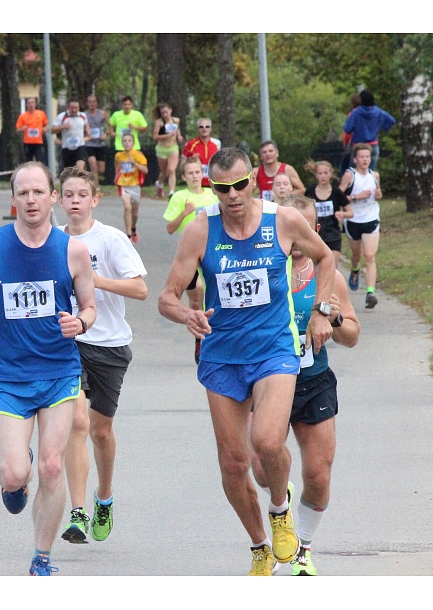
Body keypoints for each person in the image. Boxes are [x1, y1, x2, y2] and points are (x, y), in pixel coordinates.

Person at [157, 147, 335, 576]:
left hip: (274, 350)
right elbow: (167, 297)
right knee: (234, 463)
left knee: (268, 443)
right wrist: (186, 315)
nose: (233, 195)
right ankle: (259, 547)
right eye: (223, 188)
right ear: (212, 188)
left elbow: (326, 256)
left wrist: (320, 311)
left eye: (239, 184)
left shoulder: (283, 220)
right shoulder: (200, 230)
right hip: (222, 357)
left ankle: (280, 509)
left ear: (253, 180)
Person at [0, 161, 96, 576]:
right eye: (23, 193)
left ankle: (41, 559)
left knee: (52, 466)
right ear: (13, 199)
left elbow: (89, 307)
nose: (31, 200)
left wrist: (81, 323)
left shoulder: (73, 250)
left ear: (53, 197)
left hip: (58, 371)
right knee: (13, 472)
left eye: (39, 192)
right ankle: (16, 478)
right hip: (9, 374)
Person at [251, 196, 360, 576]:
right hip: (268, 379)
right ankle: (281, 494)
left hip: (313, 381)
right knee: (262, 470)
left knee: (318, 474)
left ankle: (302, 549)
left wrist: (334, 319)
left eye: (304, 225)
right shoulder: (264, 269)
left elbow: (352, 336)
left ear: (313, 230)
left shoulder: (329, 278)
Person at [57, 167, 147, 546]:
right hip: (68, 342)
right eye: (69, 194)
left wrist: (93, 281)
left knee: (100, 431)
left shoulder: (110, 239)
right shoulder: (53, 240)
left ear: (95, 200)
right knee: (76, 422)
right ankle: (77, 512)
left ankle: (104, 497)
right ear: (59, 200)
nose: (75, 200)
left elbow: (140, 289)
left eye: (82, 194)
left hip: (109, 343)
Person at [162, 156, 219, 364]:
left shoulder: (212, 195)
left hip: (214, 253)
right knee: (196, 298)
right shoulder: (180, 197)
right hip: (191, 257)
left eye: (197, 172)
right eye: (190, 173)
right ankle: (199, 338)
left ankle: (216, 335)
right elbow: (170, 228)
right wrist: (185, 212)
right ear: (184, 177)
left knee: (214, 295)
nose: (195, 176)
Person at [338, 143, 382, 308]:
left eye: (367, 157)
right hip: (354, 220)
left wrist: (378, 195)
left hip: (371, 218)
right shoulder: (350, 175)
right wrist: (356, 196)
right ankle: (355, 269)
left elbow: (378, 194)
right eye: (362, 157)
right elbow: (338, 196)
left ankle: (370, 293)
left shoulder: (374, 175)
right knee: (357, 255)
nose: (365, 160)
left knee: (370, 256)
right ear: (355, 159)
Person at [304, 160, 353, 268]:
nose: (323, 176)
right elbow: (304, 210)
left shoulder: (337, 192)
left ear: (330, 174)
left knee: (333, 268)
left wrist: (342, 214)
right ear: (316, 175)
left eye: (325, 173)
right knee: (316, 268)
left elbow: (350, 213)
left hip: (333, 234)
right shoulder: (310, 192)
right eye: (320, 173)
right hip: (316, 235)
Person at [343, 89, 395, 171]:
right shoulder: (378, 111)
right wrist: (380, 127)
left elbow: (347, 129)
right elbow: (391, 121)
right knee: (371, 174)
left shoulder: (356, 112)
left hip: (358, 146)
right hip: (373, 145)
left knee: (354, 174)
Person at [114, 133, 147, 243]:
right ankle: (128, 235)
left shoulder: (139, 155)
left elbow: (145, 170)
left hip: (135, 186)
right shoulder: (119, 156)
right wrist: (116, 177)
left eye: (129, 141)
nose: (127, 143)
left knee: (135, 213)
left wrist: (135, 163)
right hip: (124, 185)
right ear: (122, 143)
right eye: (125, 141)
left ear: (133, 143)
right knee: (127, 207)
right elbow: (117, 167)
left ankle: (133, 228)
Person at [151, 102, 183, 200]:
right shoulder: (159, 122)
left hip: (173, 148)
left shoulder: (176, 120)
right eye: (163, 113)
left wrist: (179, 136)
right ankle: (159, 183)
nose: (165, 115)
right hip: (162, 149)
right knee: (164, 172)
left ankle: (171, 192)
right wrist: (167, 135)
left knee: (172, 170)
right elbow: (155, 136)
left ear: (170, 110)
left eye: (166, 112)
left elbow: (177, 131)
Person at [51, 99, 90, 172]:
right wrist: (63, 126)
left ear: (79, 108)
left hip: (80, 145)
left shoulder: (83, 116)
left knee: (80, 167)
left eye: (76, 108)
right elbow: (52, 130)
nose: (74, 110)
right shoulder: (62, 116)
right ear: (68, 108)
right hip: (66, 147)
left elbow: (86, 125)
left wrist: (88, 131)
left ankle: (79, 178)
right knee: (68, 171)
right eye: (72, 108)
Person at [182, 118, 219, 187]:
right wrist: (191, 159)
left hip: (211, 183)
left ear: (211, 129)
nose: (204, 129)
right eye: (201, 127)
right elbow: (182, 162)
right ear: (197, 129)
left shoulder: (215, 145)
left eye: (207, 126)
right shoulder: (191, 144)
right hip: (196, 183)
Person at [85, 95, 110, 190]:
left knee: (101, 169)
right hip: (89, 143)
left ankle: (91, 176)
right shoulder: (84, 115)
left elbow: (111, 125)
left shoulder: (102, 113)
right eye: (90, 102)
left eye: (94, 102)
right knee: (93, 165)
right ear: (87, 103)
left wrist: (106, 134)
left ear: (97, 103)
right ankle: (96, 188)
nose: (92, 104)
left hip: (100, 144)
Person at [16, 97, 48, 163]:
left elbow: (47, 124)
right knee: (27, 162)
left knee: (41, 162)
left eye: (32, 102)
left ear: (35, 104)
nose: (31, 105)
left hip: (38, 142)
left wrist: (45, 128)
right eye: (29, 103)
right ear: (26, 105)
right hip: (28, 143)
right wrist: (22, 129)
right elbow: (17, 129)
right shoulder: (23, 116)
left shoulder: (41, 113)